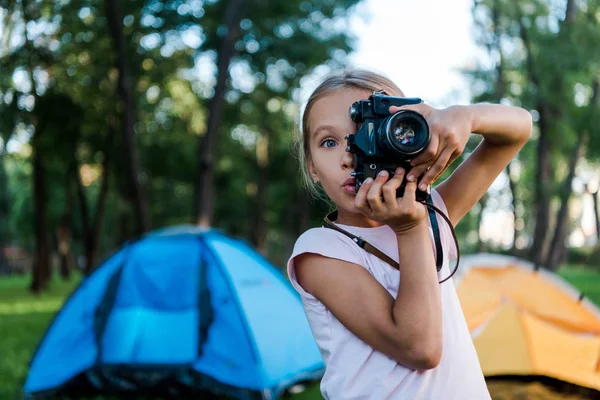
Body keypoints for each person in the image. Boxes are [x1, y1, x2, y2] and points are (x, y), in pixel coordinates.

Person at [287, 69, 532, 399]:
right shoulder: (320, 251)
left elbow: (519, 129)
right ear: (313, 166)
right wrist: (410, 227)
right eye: (329, 142)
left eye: (368, 134)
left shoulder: (433, 215)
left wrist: (464, 116)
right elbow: (420, 348)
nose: (349, 156)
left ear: (405, 138)